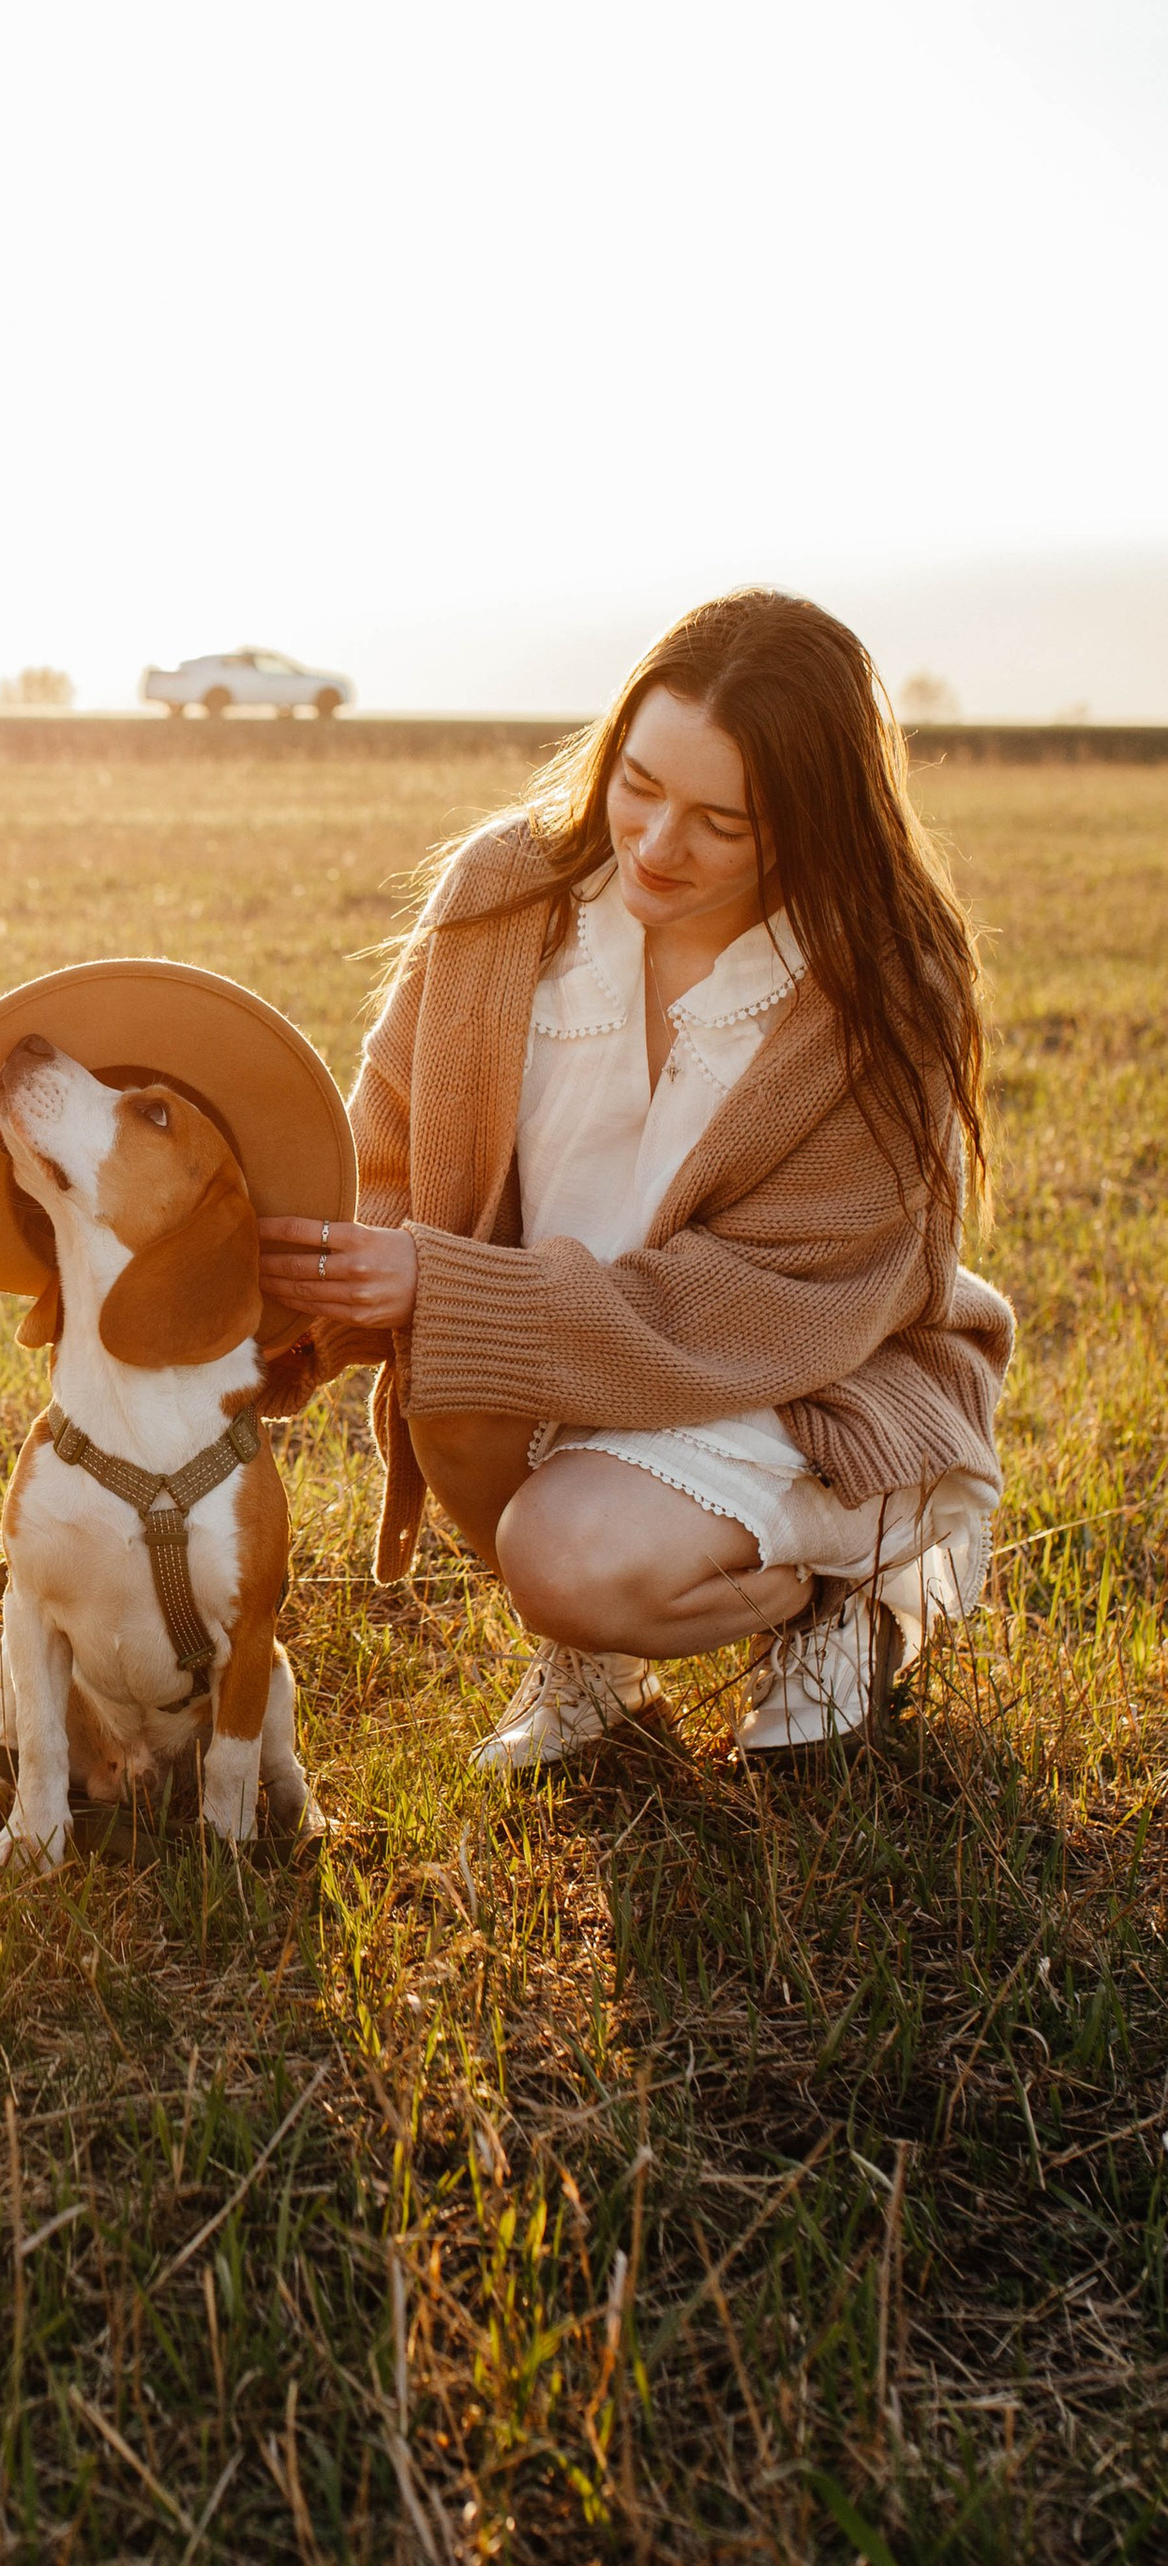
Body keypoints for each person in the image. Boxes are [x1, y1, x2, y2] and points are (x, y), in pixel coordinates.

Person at [259, 591, 1012, 1772]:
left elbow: (764, 1309)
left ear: (812, 826)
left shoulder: (879, 994)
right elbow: (393, 1144)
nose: (657, 846)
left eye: (722, 822)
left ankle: (836, 1592)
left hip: (800, 1383)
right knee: (449, 1384)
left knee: (563, 1553)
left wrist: (447, 1291)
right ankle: (599, 1660)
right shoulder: (506, 889)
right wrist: (308, 1308)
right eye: (639, 786)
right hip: (569, 1348)